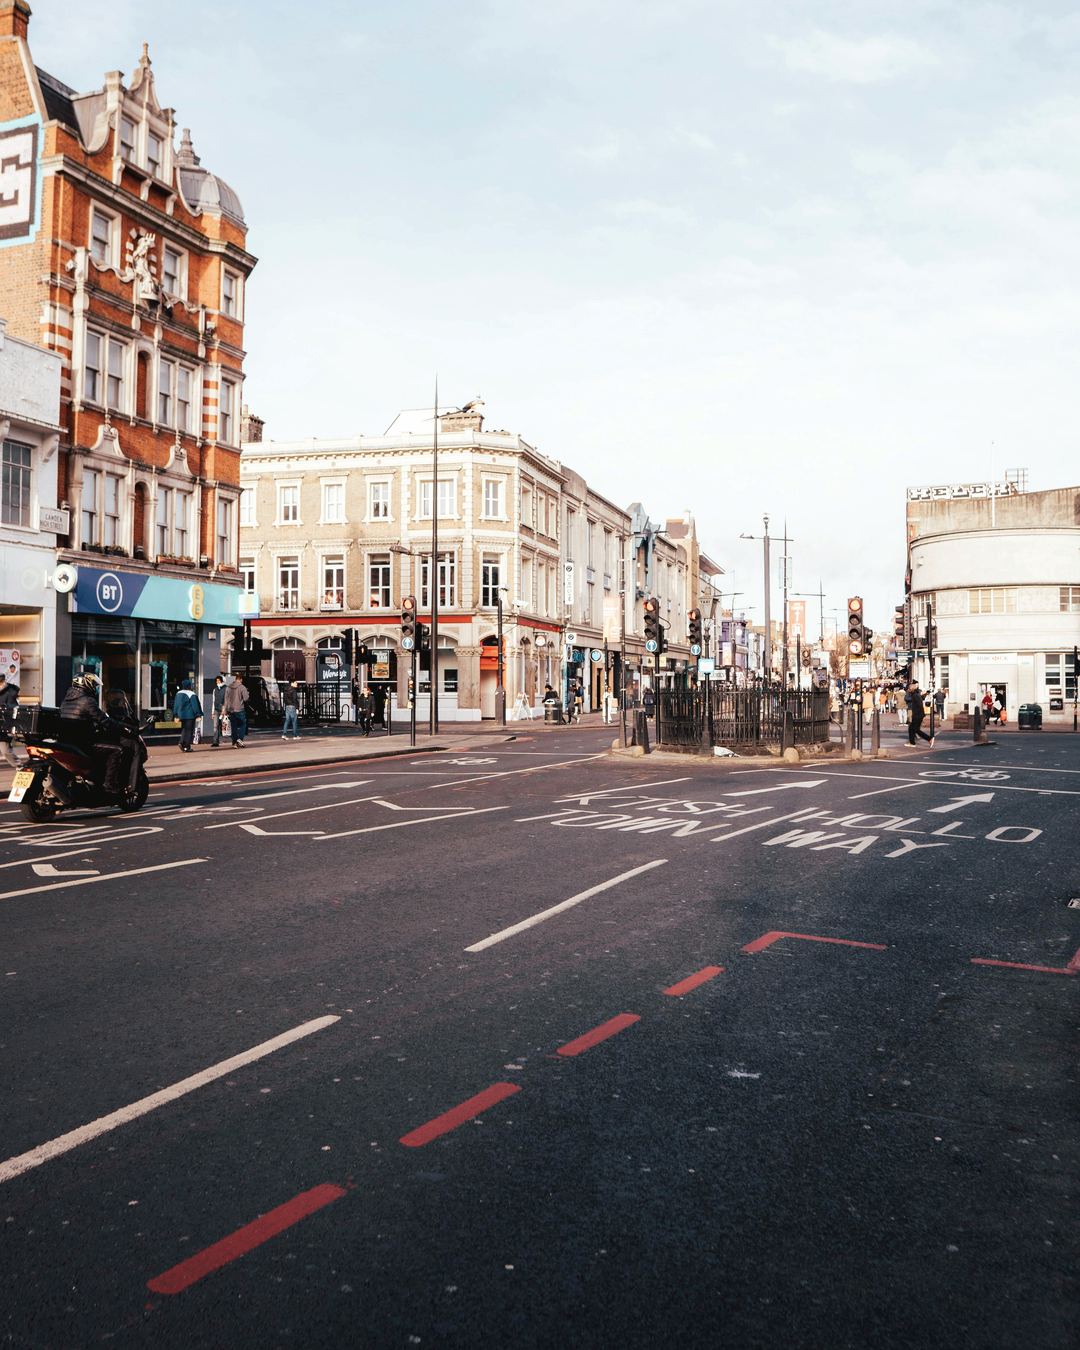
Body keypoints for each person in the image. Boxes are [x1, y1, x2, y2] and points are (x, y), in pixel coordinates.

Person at [60, 673, 124, 793]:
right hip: (83, 743)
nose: (94, 687)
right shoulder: (88, 701)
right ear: (86, 684)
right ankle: (109, 784)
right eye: (93, 684)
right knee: (117, 750)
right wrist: (119, 727)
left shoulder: (66, 700)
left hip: (68, 742)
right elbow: (103, 720)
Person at [172, 679, 203, 752]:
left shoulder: (178, 693)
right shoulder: (191, 694)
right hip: (190, 715)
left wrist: (176, 715)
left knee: (184, 729)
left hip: (181, 715)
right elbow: (195, 705)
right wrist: (198, 714)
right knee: (189, 731)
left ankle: (181, 742)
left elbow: (176, 705)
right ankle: (186, 746)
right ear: (189, 685)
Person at [0, 671, 21, 767]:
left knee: (5, 750)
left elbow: (14, 709)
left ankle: (19, 766)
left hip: (4, 726)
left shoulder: (10, 692)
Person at [223, 674, 249, 747]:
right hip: (240, 709)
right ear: (240, 679)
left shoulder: (228, 687)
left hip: (230, 710)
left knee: (233, 726)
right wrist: (248, 694)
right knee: (242, 725)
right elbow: (246, 698)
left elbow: (226, 699)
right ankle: (239, 739)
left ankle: (234, 742)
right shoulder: (242, 687)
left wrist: (225, 709)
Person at [906, 681, 934, 747]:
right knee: (911, 728)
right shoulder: (915, 694)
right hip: (918, 714)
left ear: (911, 689)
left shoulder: (915, 695)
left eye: (909, 689)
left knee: (915, 729)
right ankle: (912, 743)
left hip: (918, 715)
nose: (908, 690)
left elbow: (919, 705)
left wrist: (918, 714)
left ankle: (929, 738)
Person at [210, 675, 226, 747]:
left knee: (225, 725)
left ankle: (234, 740)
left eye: (219, 680)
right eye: (216, 681)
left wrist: (224, 710)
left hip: (224, 710)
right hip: (216, 710)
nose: (217, 682)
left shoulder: (226, 689)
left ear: (222, 680)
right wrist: (212, 712)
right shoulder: (215, 689)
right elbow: (213, 701)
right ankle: (215, 741)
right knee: (215, 726)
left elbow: (227, 700)